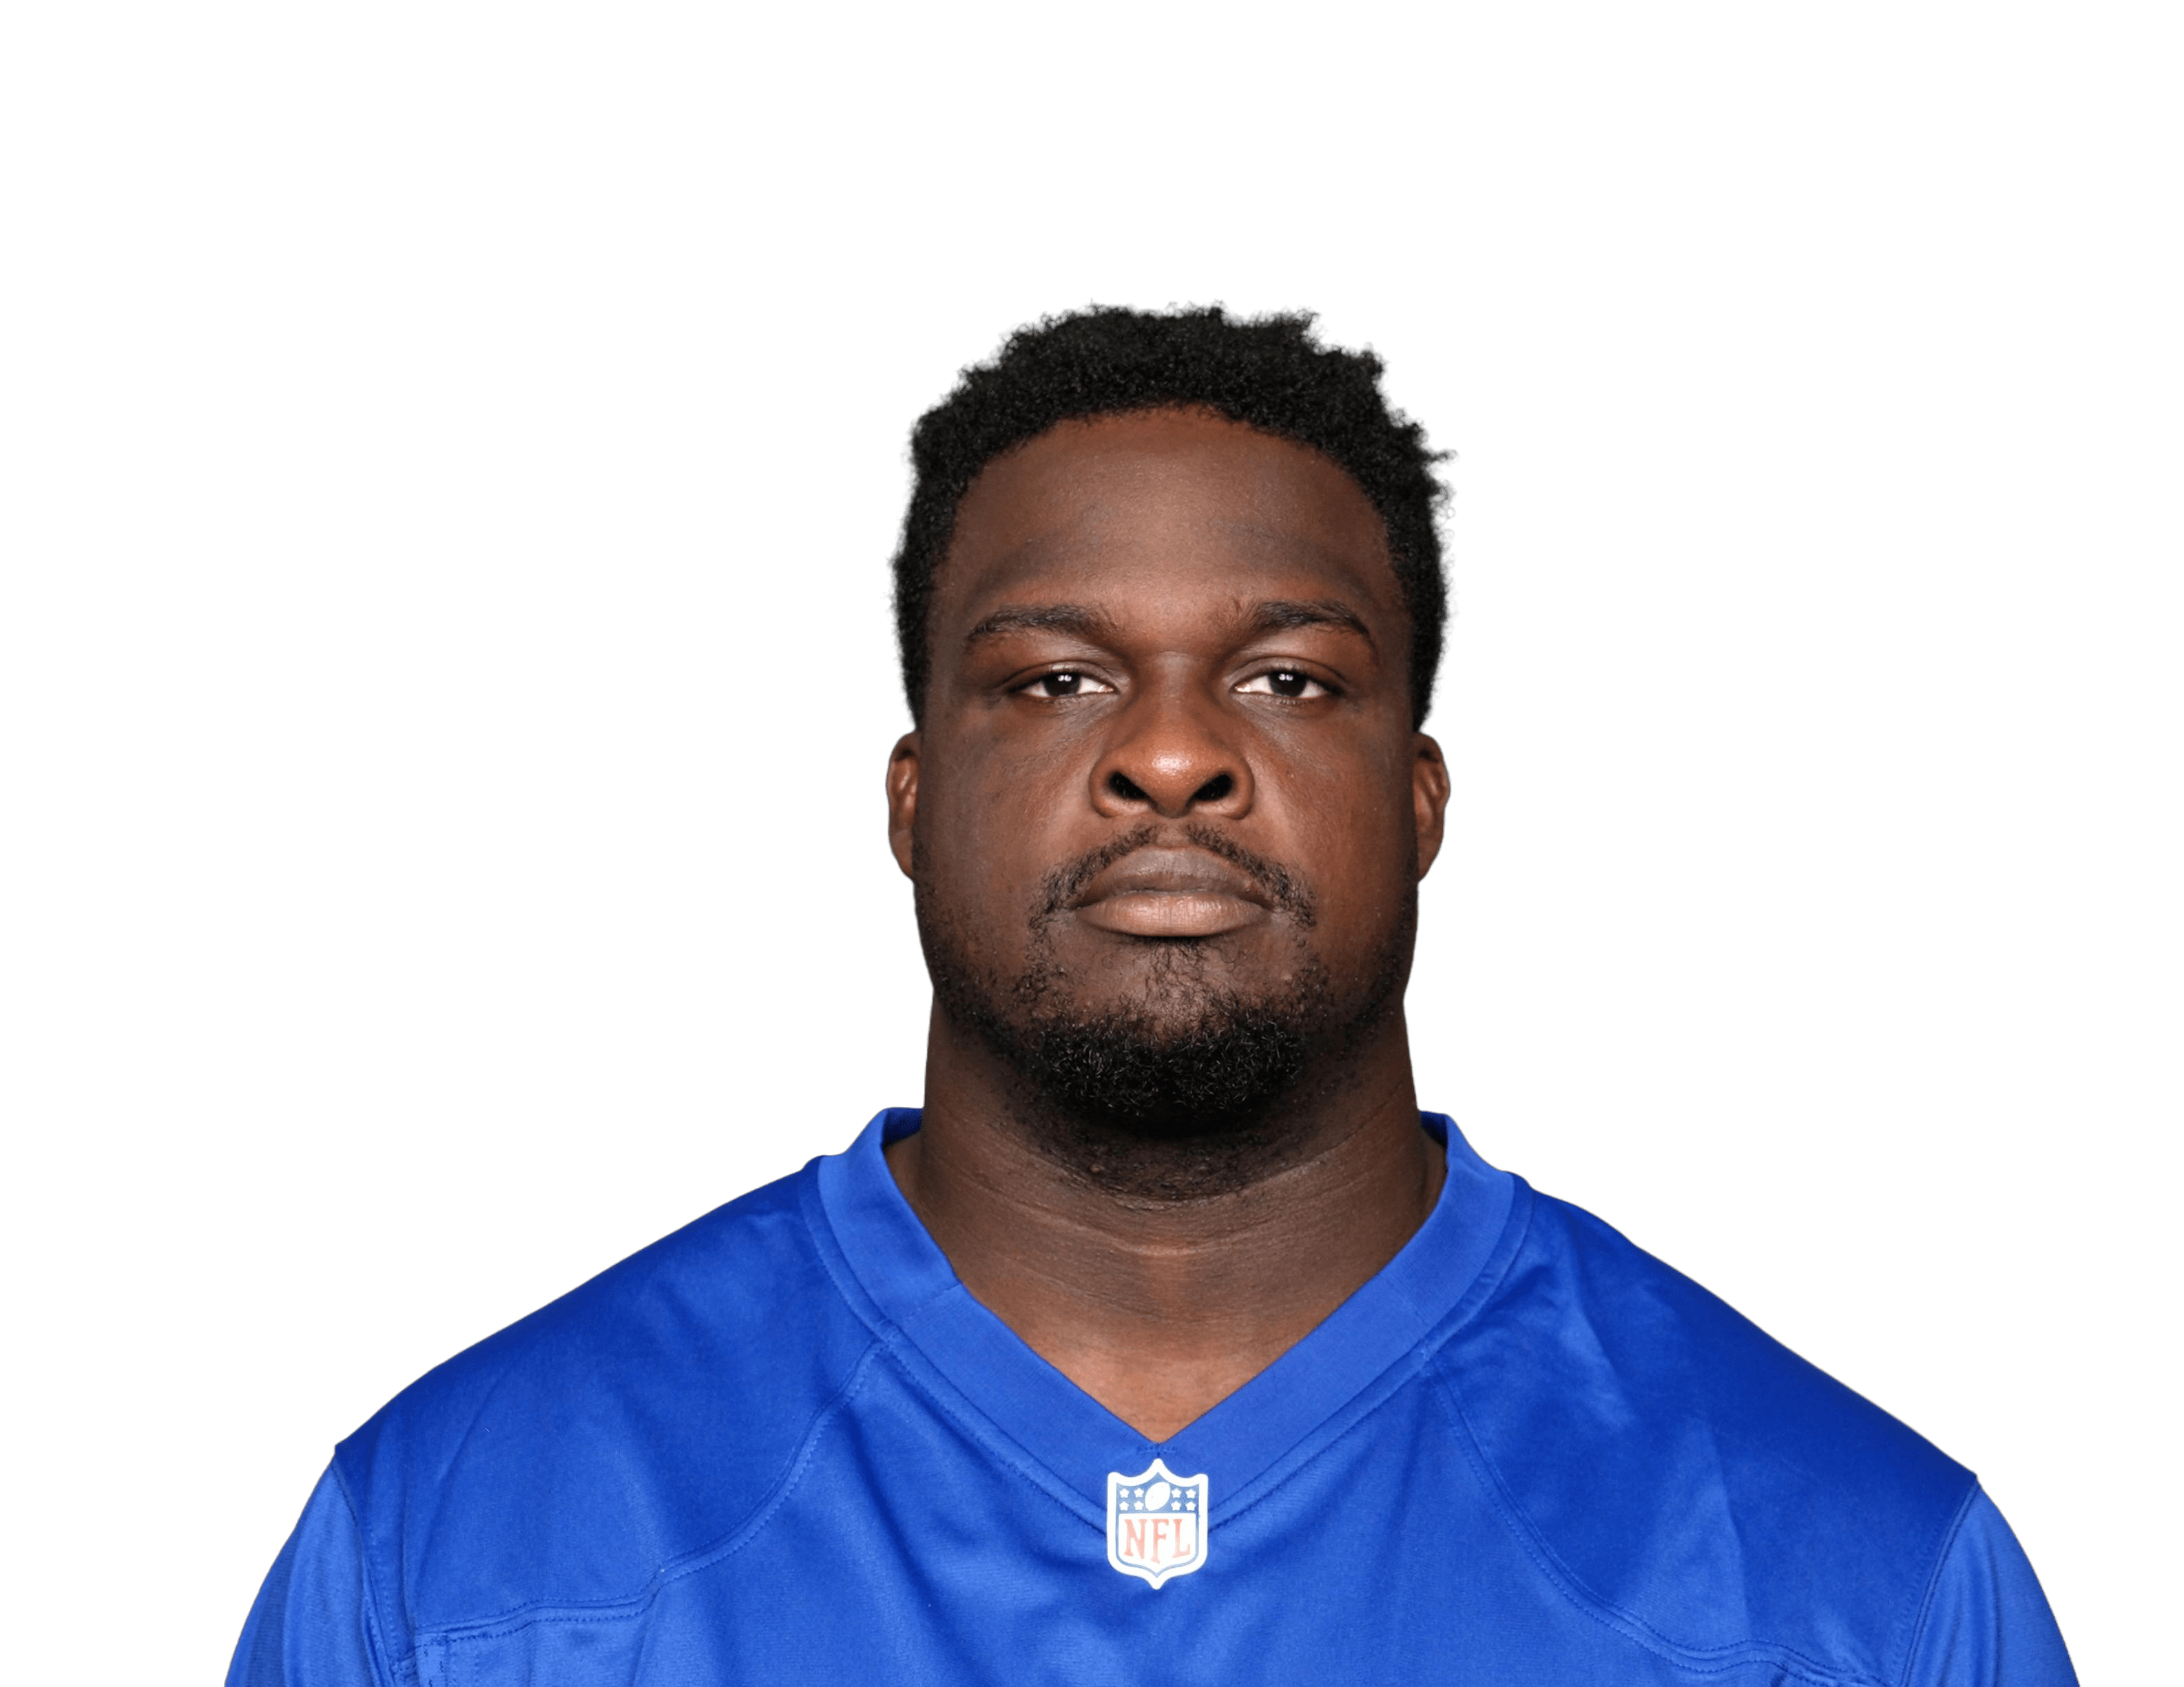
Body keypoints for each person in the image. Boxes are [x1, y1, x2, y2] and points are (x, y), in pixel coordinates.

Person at [229, 302, 2077, 1684]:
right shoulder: (464, 1547)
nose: (1174, 754)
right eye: (1054, 681)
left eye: (1288, 680)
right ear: (910, 800)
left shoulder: (1852, 1580)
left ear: (1422, 800)